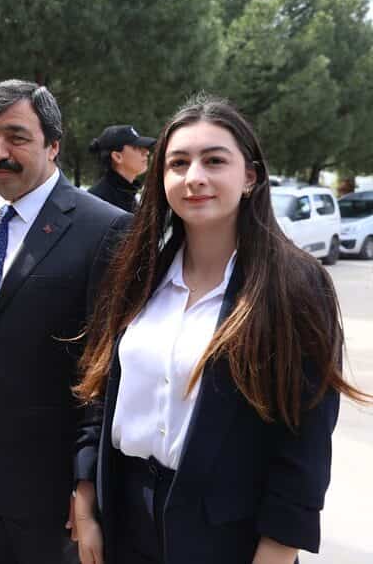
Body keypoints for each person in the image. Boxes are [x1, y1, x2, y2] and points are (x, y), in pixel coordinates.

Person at [73, 94, 369, 564]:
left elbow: (304, 444)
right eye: (178, 163)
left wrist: (277, 551)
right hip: (124, 519)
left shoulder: (294, 284)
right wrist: (86, 498)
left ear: (250, 176)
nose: (194, 177)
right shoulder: (136, 272)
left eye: (214, 161)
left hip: (226, 533)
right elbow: (100, 390)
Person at [0, 80, 130, 564]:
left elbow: (105, 368)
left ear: (53, 144)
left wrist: (86, 480)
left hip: (53, 482)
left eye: (16, 137)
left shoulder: (104, 227)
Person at [87, 125, 155, 213]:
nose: (147, 152)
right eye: (136, 147)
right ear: (117, 157)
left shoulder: (126, 192)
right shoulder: (99, 200)